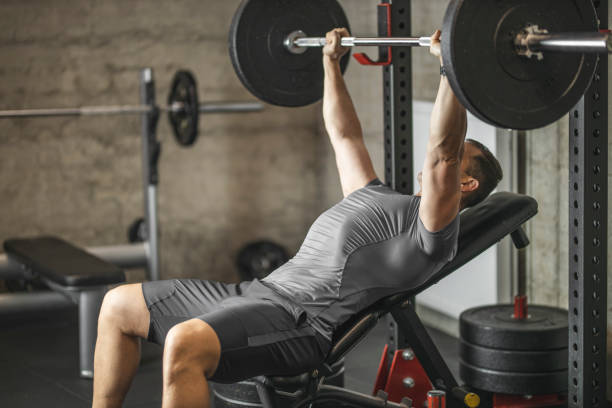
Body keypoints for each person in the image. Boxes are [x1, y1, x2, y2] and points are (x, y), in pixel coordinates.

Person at [91, 29, 502, 408]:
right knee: (117, 305)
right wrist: (330, 63)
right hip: (255, 294)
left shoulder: (429, 235)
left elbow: (442, 152)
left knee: (185, 342)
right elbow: (344, 135)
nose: (442, 162)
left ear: (465, 184)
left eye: (457, 161)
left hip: (299, 323)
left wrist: (452, 66)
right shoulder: (375, 194)